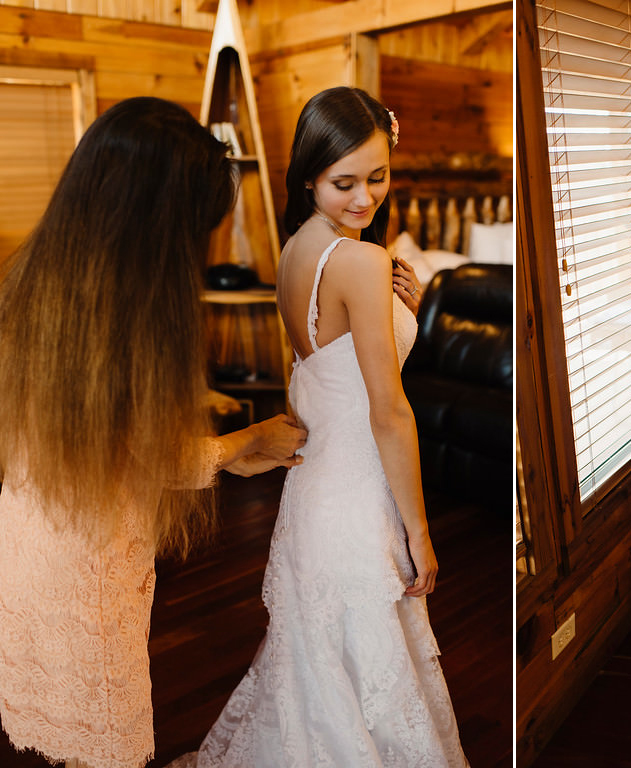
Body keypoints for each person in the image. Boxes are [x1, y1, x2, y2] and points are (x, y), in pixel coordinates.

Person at [0, 97, 308, 768]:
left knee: (58, 716)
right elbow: (151, 452)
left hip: (26, 533)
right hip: (89, 556)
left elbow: (104, 437)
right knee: (101, 723)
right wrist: (243, 444)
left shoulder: (35, 274)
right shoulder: (130, 311)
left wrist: (232, 453)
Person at [189, 87, 468, 767]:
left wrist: (415, 310)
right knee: (366, 671)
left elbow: (327, 373)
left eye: (378, 177)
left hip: (315, 491)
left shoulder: (296, 251)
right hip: (360, 492)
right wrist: (419, 531)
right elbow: (387, 409)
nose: (365, 198)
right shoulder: (361, 261)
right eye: (344, 182)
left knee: (321, 668)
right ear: (308, 175)